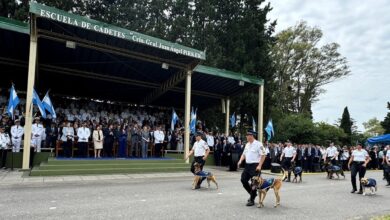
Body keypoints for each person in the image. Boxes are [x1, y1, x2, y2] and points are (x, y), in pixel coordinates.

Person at [237, 130, 266, 206]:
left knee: (254, 183)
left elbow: (264, 155)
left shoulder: (259, 144)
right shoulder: (247, 144)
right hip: (247, 165)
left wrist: (259, 165)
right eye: (246, 135)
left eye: (247, 135)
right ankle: (253, 194)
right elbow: (244, 154)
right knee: (243, 180)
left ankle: (252, 199)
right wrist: (240, 161)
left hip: (255, 166)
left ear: (252, 136)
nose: (246, 136)